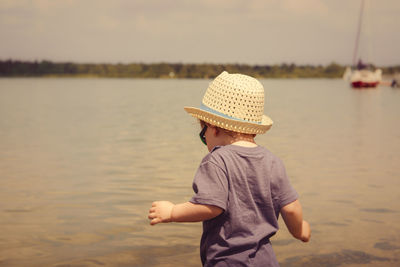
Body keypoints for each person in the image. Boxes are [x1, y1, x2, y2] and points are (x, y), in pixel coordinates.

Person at [148, 71, 311, 266]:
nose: (204, 138)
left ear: (213, 127)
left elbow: (211, 206)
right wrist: (300, 230)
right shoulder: (273, 162)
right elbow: (292, 209)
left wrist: (172, 212)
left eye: (203, 133)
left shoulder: (216, 160)